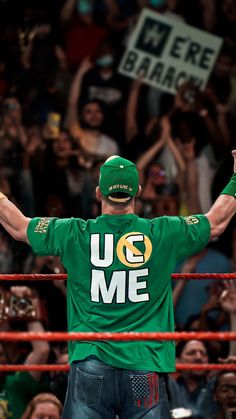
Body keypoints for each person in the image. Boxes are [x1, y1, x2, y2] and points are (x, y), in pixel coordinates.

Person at [0, 153, 236, 419]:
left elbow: (18, 226)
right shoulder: (164, 232)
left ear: (99, 193)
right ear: (138, 191)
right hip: (144, 363)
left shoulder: (72, 232)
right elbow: (216, 223)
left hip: (91, 362)